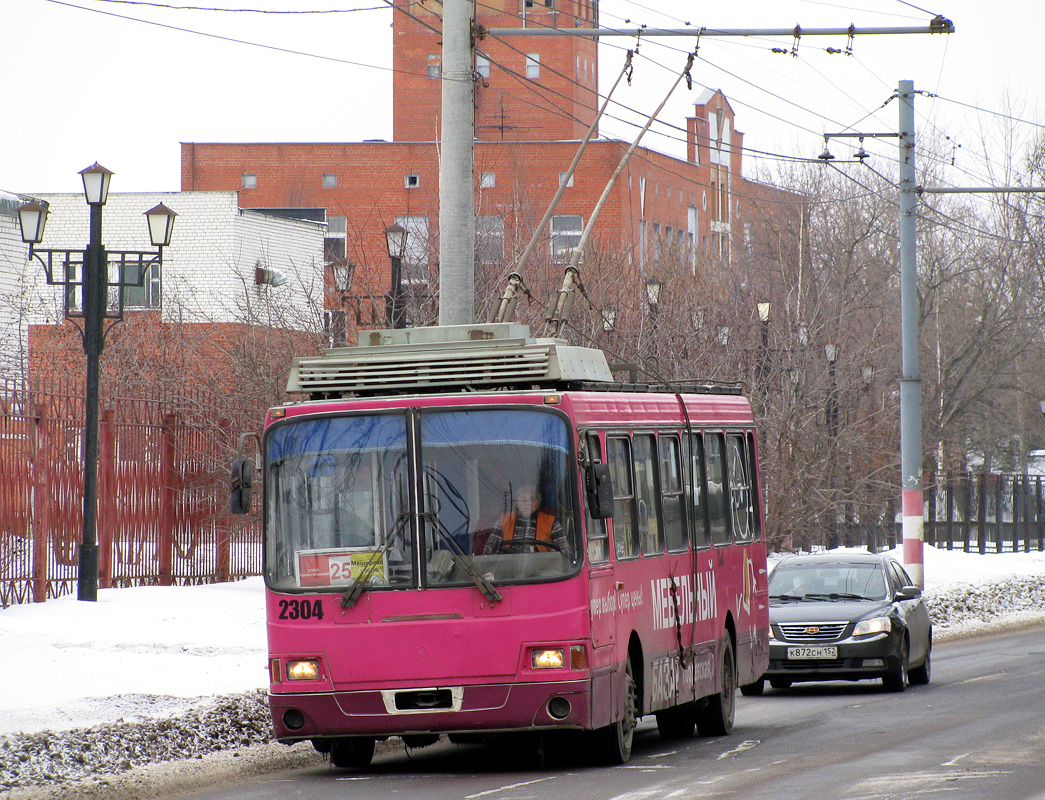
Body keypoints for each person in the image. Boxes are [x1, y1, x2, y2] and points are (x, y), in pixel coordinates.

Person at [483, 483, 570, 558]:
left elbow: (566, 551)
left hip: (543, 570)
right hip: (508, 570)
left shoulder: (551, 522)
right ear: (517, 502)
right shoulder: (504, 521)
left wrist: (555, 555)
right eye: (523, 499)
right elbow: (489, 549)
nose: (527, 503)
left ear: (538, 503)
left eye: (532, 499)